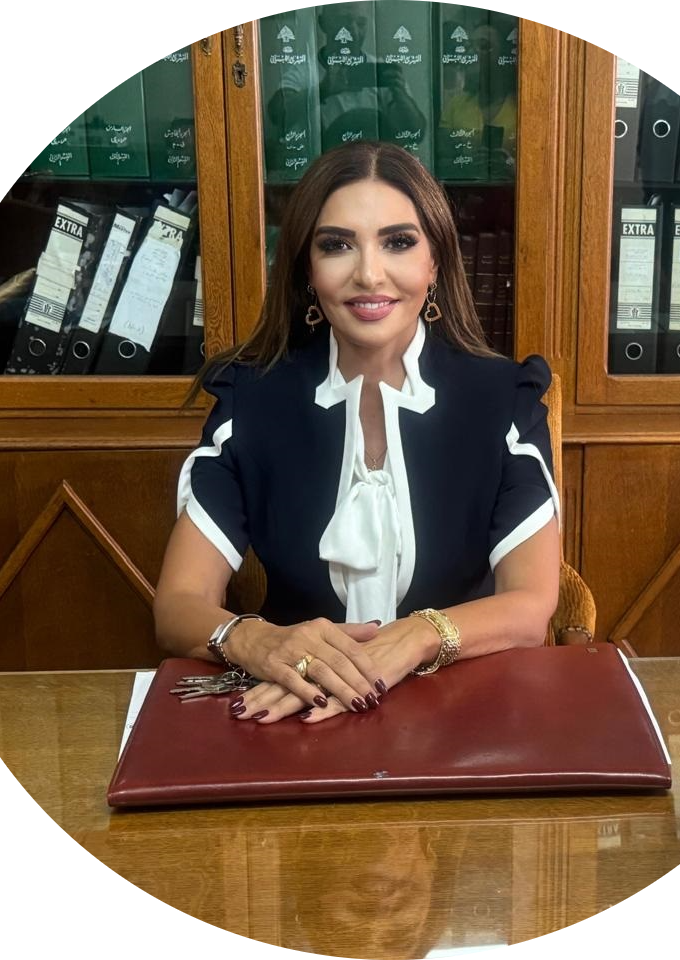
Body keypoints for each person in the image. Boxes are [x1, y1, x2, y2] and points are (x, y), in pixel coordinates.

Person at [153, 140, 560, 725]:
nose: (369, 274)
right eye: (336, 245)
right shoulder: (252, 399)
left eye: (398, 242)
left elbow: (530, 606)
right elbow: (178, 605)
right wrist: (259, 642)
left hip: (464, 713)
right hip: (296, 713)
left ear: (435, 263)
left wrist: (418, 636)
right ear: (307, 270)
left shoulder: (503, 399)